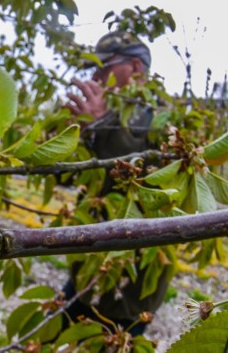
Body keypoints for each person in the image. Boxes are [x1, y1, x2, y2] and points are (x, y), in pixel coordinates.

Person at [61, 31, 172, 335]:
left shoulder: (162, 114)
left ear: (135, 67)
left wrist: (100, 125)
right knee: (59, 331)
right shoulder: (102, 107)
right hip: (89, 261)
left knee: (114, 337)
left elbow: (148, 179)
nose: (97, 74)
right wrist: (74, 133)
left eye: (106, 65)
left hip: (129, 281)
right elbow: (65, 175)